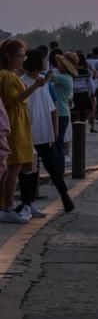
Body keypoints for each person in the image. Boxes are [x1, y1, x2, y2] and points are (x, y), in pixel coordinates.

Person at [21, 51, 73, 214]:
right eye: (43, 60)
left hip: (45, 132)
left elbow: (52, 108)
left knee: (52, 168)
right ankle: (27, 204)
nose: (45, 62)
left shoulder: (43, 82)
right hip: (29, 133)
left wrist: (55, 128)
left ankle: (65, 196)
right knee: (29, 171)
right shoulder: (24, 82)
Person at [1, 39, 43, 223]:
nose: (22, 60)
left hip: (18, 123)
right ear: (8, 57)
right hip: (14, 124)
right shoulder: (6, 76)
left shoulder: (12, 74)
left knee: (14, 167)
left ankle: (7, 205)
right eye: (19, 56)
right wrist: (35, 86)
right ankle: (7, 206)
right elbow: (13, 99)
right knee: (13, 167)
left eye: (23, 56)